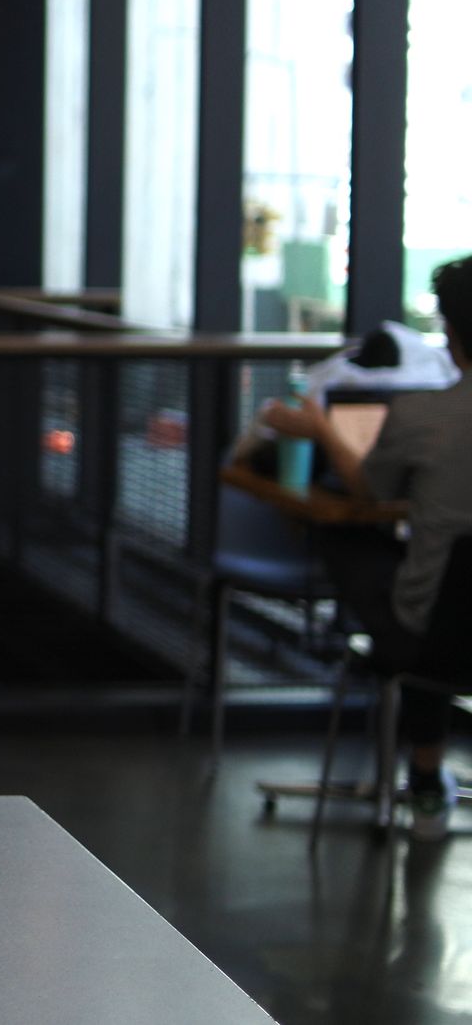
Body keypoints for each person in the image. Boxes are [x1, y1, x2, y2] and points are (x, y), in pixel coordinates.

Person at [260, 255, 472, 838]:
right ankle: (427, 782)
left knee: (379, 561)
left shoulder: (423, 414)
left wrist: (322, 429)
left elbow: (373, 488)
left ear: (450, 333)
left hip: (433, 639)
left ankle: (425, 785)